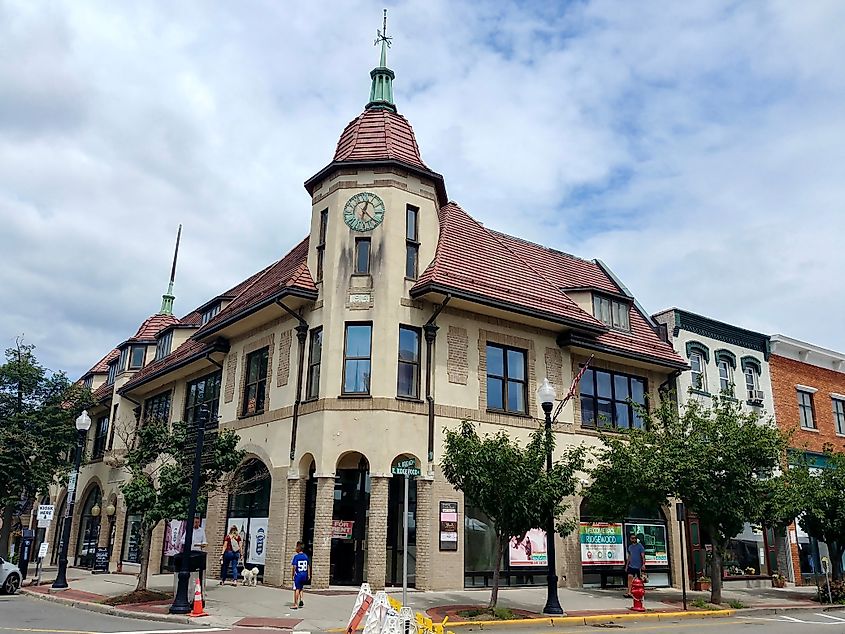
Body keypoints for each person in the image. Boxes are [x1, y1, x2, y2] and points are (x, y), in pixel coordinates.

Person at [625, 532, 646, 598]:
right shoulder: (630, 547)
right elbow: (629, 556)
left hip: (638, 566)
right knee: (629, 578)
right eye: (632, 538)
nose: (634, 539)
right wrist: (627, 565)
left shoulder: (640, 546)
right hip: (631, 565)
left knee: (640, 580)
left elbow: (643, 556)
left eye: (635, 538)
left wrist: (643, 564)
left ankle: (640, 592)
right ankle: (629, 592)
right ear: (630, 539)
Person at [290, 541, 309, 609]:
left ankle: (295, 604)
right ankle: (301, 599)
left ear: (298, 548)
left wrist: (292, 575)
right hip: (304, 574)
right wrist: (308, 574)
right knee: (301, 588)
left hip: (298, 575)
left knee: (296, 589)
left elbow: (294, 566)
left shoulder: (296, 557)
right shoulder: (305, 556)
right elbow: (308, 566)